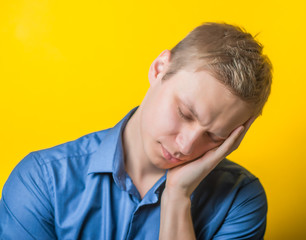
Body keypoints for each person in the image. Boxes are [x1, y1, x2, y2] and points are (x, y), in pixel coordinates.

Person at [0, 22, 272, 239]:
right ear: (159, 69)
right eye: (184, 113)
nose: (186, 146)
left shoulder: (240, 202)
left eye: (214, 136)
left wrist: (177, 198)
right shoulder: (41, 181)